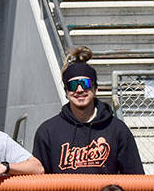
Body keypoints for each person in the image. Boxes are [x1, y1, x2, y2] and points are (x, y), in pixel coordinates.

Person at [31, 47, 145, 179]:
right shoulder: (48, 131)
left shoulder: (117, 129)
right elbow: (39, 181)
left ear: (95, 88)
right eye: (73, 85)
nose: (79, 90)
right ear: (66, 92)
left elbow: (135, 177)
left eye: (85, 83)